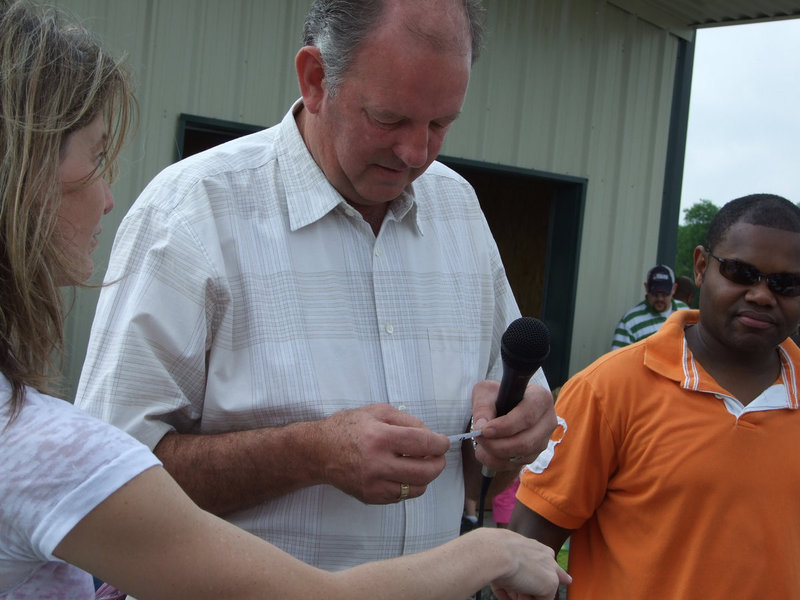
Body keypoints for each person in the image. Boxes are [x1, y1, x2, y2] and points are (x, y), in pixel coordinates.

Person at [0, 2, 573, 598]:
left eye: (440, 124)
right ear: (316, 80)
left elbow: (507, 418)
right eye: (389, 118)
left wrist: (522, 426)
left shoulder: (460, 212)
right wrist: (310, 454)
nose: (416, 153)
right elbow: (105, 478)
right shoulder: (193, 211)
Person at [510, 193, 800, 599]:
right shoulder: (608, 389)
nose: (762, 295)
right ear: (701, 266)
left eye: (786, 283)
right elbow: (526, 550)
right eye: (741, 272)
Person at [610, 263, 689, 349]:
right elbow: (617, 360)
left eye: (664, 294)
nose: (660, 299)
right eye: (655, 294)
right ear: (647, 288)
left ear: (674, 289)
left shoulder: (685, 312)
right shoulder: (630, 322)